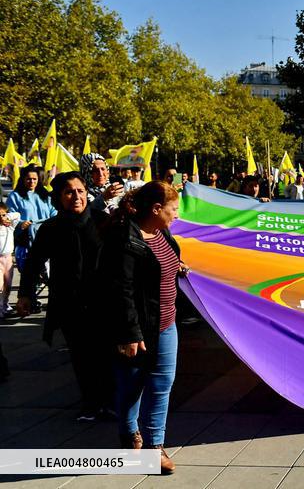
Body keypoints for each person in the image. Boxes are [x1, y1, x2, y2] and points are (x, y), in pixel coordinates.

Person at [101, 181, 186, 474]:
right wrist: (129, 333)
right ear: (156, 209)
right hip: (136, 328)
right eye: (173, 209)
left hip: (165, 324)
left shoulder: (162, 232)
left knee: (162, 384)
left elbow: (162, 262)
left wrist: (179, 266)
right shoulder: (125, 239)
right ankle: (129, 433)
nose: (177, 214)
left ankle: (154, 446)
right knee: (131, 386)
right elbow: (120, 290)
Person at [17, 172, 112, 421]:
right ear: (59, 197)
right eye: (69, 192)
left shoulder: (104, 223)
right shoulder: (51, 228)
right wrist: (25, 294)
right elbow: (34, 262)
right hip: (70, 304)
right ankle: (91, 403)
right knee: (81, 355)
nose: (76, 197)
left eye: (80, 191)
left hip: (104, 302)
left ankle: (110, 401)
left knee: (106, 354)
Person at [6, 166, 57, 271]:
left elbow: (54, 212)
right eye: (29, 179)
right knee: (29, 274)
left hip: (46, 237)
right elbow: (10, 215)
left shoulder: (45, 195)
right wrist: (20, 223)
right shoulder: (14, 196)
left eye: (35, 179)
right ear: (23, 179)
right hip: (25, 239)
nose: (32, 181)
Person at [0, 203, 17, 317]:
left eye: (3, 214)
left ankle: (5, 304)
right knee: (0, 285)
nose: (1, 217)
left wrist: (7, 217)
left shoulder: (10, 226)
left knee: (8, 284)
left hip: (8, 258)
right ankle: (0, 308)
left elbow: (18, 215)